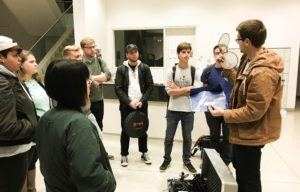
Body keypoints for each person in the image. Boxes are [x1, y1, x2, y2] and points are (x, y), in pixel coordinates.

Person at [208, 19, 284, 192]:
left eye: (238, 40)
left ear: (247, 41)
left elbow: (253, 111)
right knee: (241, 172)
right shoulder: (248, 60)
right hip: (242, 132)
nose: (237, 43)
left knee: (248, 180)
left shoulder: (262, 72)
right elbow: (241, 84)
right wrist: (225, 67)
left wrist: (224, 114)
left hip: (251, 135)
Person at [36, 59, 116, 191]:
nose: (89, 86)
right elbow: (91, 179)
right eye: (87, 82)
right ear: (76, 87)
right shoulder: (79, 124)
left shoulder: (46, 118)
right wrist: (109, 180)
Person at [63, 44, 114, 160]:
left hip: (88, 111)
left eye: (79, 56)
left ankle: (99, 157)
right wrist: (95, 79)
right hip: (73, 116)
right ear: (67, 59)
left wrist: (89, 81)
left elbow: (96, 86)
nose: (80, 59)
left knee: (98, 136)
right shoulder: (62, 75)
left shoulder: (83, 71)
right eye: (76, 57)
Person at [0, 36, 37, 192]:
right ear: (1, 57)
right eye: (14, 56)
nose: (19, 60)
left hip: (16, 149)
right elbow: (6, 126)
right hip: (10, 153)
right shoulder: (3, 82)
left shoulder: (11, 78)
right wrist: (33, 125)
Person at [160, 42, 201, 173]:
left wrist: (177, 88)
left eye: (188, 52)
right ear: (178, 54)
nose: (186, 55)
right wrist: (186, 89)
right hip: (173, 109)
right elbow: (169, 92)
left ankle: (187, 161)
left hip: (189, 110)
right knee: (168, 138)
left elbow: (195, 91)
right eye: (183, 52)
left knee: (187, 138)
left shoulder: (194, 71)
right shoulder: (170, 71)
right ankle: (167, 159)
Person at [115, 44, 154, 167]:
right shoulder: (121, 69)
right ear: (127, 54)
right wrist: (129, 102)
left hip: (142, 104)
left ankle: (144, 152)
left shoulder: (145, 68)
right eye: (131, 52)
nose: (134, 54)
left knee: (142, 128)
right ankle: (124, 155)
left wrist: (142, 101)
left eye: (136, 52)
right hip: (127, 105)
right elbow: (118, 89)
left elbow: (150, 86)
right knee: (125, 129)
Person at [17, 50, 50, 192]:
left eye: (35, 61)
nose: (36, 64)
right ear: (21, 65)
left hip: (42, 131)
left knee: (32, 164)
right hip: (30, 133)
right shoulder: (19, 85)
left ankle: (32, 188)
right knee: (24, 168)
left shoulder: (37, 81)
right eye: (31, 62)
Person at [200, 45, 233, 165]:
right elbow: (205, 90)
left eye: (222, 52)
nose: (220, 55)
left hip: (228, 110)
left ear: (227, 53)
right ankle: (213, 162)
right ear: (214, 55)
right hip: (211, 110)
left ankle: (226, 163)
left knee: (228, 138)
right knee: (214, 136)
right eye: (217, 53)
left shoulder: (233, 70)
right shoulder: (207, 71)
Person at [80, 37, 111, 131]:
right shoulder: (80, 62)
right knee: (86, 128)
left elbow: (108, 76)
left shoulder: (100, 61)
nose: (93, 49)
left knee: (99, 126)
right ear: (83, 49)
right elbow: (82, 80)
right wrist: (100, 78)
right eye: (89, 47)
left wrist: (91, 79)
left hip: (98, 101)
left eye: (94, 46)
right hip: (84, 101)